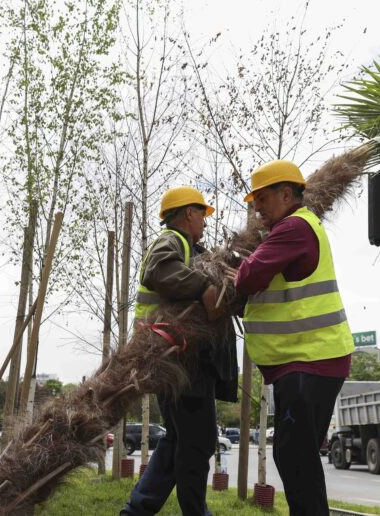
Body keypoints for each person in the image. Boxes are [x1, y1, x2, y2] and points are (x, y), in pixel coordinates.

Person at [228, 160, 355, 515]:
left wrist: (242, 266)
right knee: (295, 454)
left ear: (287, 193)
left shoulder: (292, 229)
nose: (256, 208)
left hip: (309, 360)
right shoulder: (300, 227)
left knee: (294, 455)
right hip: (309, 361)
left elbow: (247, 278)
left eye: (262, 198)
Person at [121, 186, 238, 516]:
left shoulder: (191, 248)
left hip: (180, 361)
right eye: (202, 212)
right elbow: (158, 270)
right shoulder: (172, 241)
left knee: (180, 442)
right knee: (194, 442)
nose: (204, 219)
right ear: (188, 212)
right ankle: (190, 511)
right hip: (178, 360)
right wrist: (204, 287)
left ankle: (139, 510)